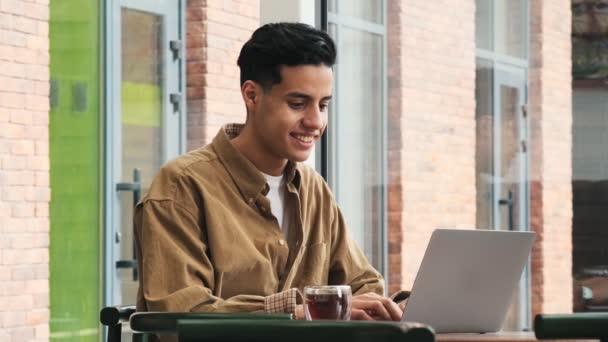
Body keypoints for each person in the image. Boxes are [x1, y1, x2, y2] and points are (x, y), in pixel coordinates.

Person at [134, 22, 407, 321]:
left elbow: (362, 286)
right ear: (252, 96)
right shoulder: (181, 186)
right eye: (298, 103)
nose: (316, 122)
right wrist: (303, 312)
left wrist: (399, 305)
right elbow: (181, 316)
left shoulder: (313, 188)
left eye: (324, 105)